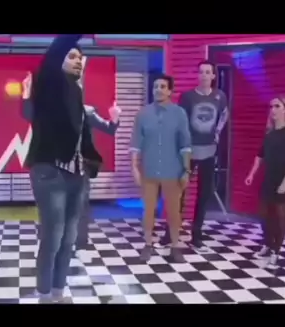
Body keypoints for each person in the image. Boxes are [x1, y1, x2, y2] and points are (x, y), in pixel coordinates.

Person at [25, 34, 102, 303]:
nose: (78, 61)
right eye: (72, 56)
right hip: (50, 171)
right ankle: (44, 294)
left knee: (69, 238)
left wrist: (90, 162)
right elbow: (56, 51)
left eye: (81, 57)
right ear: (59, 60)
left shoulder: (75, 90)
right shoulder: (50, 82)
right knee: (53, 236)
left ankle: (57, 292)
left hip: (76, 174)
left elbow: (80, 133)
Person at [21, 63, 121, 255]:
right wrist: (26, 92)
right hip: (52, 169)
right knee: (51, 209)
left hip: (80, 169)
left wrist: (115, 118)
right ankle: (51, 243)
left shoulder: (87, 112)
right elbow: (29, 114)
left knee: (80, 208)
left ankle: (79, 243)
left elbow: (109, 129)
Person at [159, 60, 228, 251]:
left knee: (204, 194)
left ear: (213, 75)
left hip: (209, 151)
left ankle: (196, 235)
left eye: (207, 72)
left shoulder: (220, 96)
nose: (204, 75)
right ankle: (170, 233)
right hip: (188, 151)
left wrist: (217, 132)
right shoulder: (188, 97)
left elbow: (224, 114)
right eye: (201, 72)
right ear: (197, 75)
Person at [131, 74, 192, 263]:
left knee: (174, 211)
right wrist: (134, 168)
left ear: (170, 91)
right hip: (149, 170)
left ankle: (175, 247)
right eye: (156, 86)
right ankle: (148, 244)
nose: (158, 89)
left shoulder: (179, 113)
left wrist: (186, 170)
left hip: (173, 170)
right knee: (148, 210)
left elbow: (185, 145)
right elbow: (135, 143)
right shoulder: (143, 114)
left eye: (163, 86)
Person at [245, 96, 285, 270]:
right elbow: (260, 156)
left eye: (277, 106)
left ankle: (276, 252)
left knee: (280, 217)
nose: (273, 109)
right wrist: (251, 174)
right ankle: (268, 244)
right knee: (264, 215)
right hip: (269, 178)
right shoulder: (270, 134)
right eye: (271, 106)